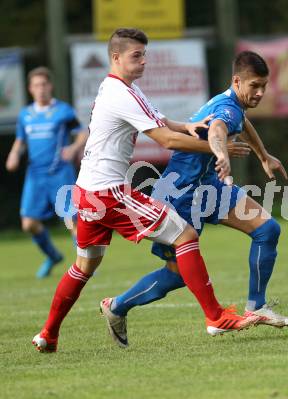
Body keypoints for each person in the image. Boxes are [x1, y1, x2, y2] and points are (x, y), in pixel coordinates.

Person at [31, 28, 259, 353]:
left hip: (86, 192)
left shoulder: (119, 88)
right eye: (136, 55)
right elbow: (165, 140)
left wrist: (186, 126)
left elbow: (161, 121)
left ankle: (48, 334)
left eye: (144, 55)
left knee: (83, 267)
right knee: (185, 236)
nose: (143, 61)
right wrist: (212, 144)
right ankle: (216, 317)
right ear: (116, 57)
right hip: (109, 193)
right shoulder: (122, 93)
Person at [101, 51, 288, 349]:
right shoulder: (226, 109)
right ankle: (117, 306)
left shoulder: (233, 104)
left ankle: (256, 307)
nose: (259, 93)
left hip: (207, 187)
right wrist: (221, 153)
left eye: (264, 86)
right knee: (176, 276)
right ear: (237, 81)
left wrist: (263, 155)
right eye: (255, 86)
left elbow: (241, 123)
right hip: (179, 194)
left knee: (267, 230)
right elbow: (219, 129)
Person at [5, 67, 88, 278]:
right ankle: (52, 256)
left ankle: (84, 264)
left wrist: (73, 148)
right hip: (35, 175)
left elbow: (82, 133)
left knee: (72, 220)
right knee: (28, 223)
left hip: (60, 173)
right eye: (36, 85)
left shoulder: (63, 111)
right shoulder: (26, 115)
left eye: (44, 84)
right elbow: (21, 140)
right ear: (30, 89)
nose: (40, 89)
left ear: (50, 86)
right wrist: (14, 154)